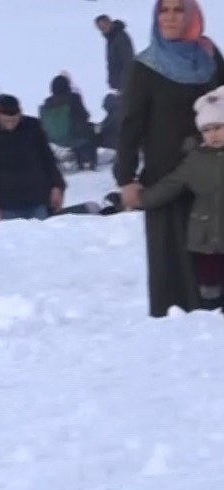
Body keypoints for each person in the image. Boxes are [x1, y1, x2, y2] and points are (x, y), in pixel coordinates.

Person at [116, 0, 224, 317]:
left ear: (192, 15)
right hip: (166, 175)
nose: (171, 17)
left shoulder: (209, 57)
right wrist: (125, 178)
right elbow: (130, 125)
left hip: (213, 176)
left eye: (179, 10)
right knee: (174, 260)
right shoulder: (145, 67)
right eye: (164, 10)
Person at [139, 90, 224, 308]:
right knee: (210, 281)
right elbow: (171, 184)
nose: (213, 134)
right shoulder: (195, 160)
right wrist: (143, 198)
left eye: (218, 128)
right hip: (207, 236)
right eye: (207, 130)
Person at [0, 95, 66, 220]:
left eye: (14, 120)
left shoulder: (33, 127)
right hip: (7, 204)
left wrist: (57, 186)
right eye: (7, 121)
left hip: (38, 199)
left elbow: (48, 159)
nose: (11, 124)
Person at [96, 15, 137, 93]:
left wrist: (124, 82)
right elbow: (112, 61)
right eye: (100, 28)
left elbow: (127, 61)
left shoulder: (120, 37)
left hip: (127, 83)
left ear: (109, 23)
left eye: (104, 26)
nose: (103, 30)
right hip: (121, 83)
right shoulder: (111, 38)